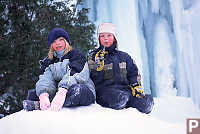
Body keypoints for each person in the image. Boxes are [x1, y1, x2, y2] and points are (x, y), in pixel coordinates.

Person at [23, 28, 95, 111]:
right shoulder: (48, 61)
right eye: (54, 41)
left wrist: (62, 91)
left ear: (66, 41)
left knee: (77, 90)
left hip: (83, 89)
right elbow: (45, 79)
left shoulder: (76, 55)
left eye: (61, 40)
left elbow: (76, 74)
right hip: (59, 92)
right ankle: (46, 102)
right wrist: (43, 94)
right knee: (33, 94)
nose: (57, 43)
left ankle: (39, 105)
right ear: (51, 45)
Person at [88, 23, 154, 114]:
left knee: (144, 101)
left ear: (114, 37)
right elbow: (91, 78)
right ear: (98, 38)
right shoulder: (93, 56)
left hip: (125, 90)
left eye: (109, 35)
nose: (106, 38)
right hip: (105, 92)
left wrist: (136, 86)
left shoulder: (124, 56)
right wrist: (97, 65)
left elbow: (133, 73)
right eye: (102, 36)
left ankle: (139, 103)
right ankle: (122, 101)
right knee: (119, 98)